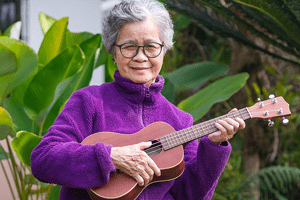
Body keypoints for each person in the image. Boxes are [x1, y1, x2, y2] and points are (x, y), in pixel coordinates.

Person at [31, 0, 246, 199]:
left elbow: (190, 195)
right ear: (114, 52)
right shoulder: (89, 102)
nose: (140, 57)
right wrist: (110, 157)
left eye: (151, 47)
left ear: (164, 50)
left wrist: (214, 147)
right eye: (129, 46)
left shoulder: (181, 121)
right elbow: (43, 159)